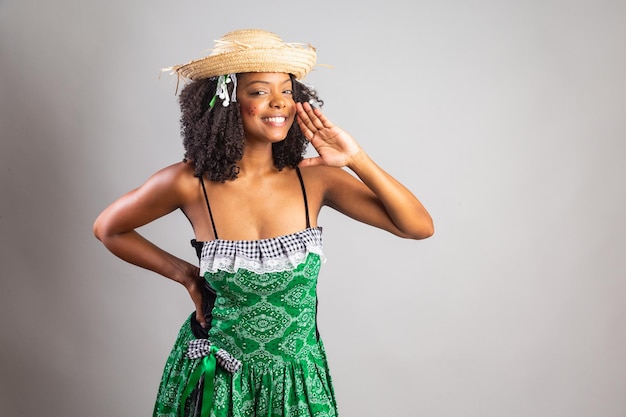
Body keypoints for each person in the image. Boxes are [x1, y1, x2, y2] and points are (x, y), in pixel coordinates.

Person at [93, 29, 434, 417]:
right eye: (259, 91)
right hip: (217, 382)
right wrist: (186, 276)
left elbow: (418, 226)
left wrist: (357, 159)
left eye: (287, 91)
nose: (279, 103)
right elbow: (109, 228)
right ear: (226, 100)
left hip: (296, 385)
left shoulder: (315, 179)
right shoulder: (189, 183)